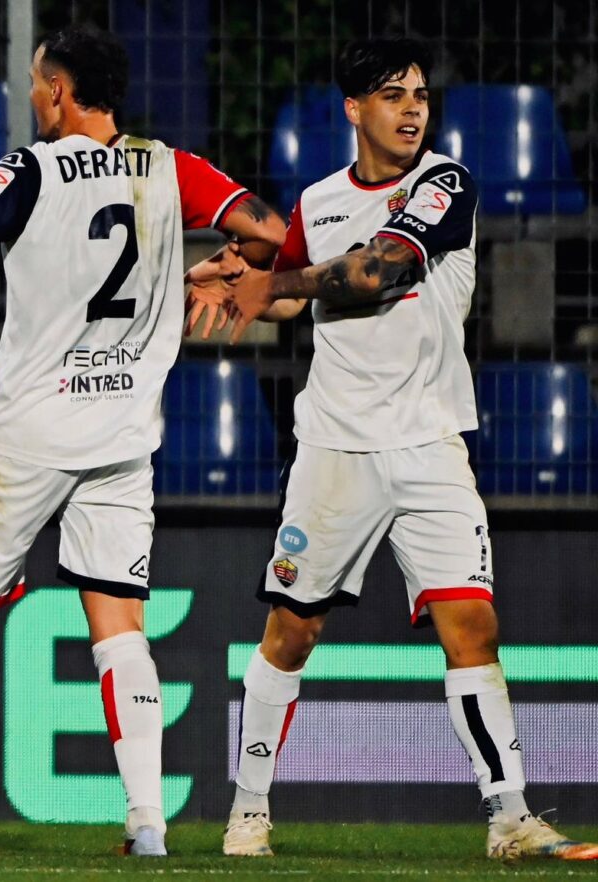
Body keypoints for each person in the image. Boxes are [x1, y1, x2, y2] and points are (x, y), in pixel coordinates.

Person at [0, 24, 285, 857]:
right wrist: (224, 267)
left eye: (39, 83)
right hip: (122, 439)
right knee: (121, 627)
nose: (35, 95)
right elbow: (272, 235)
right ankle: (147, 824)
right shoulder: (171, 167)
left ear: (62, 93)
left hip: (27, 437)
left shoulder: (33, 168)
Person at [190, 37, 598, 862]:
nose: (412, 110)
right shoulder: (318, 200)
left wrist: (276, 282)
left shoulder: (445, 183)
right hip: (334, 448)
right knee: (291, 632)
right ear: (354, 109)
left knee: (472, 626)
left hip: (430, 444)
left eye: (419, 95)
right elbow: (290, 297)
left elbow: (379, 271)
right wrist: (238, 284)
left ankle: (510, 818)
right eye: (392, 95)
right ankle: (249, 812)